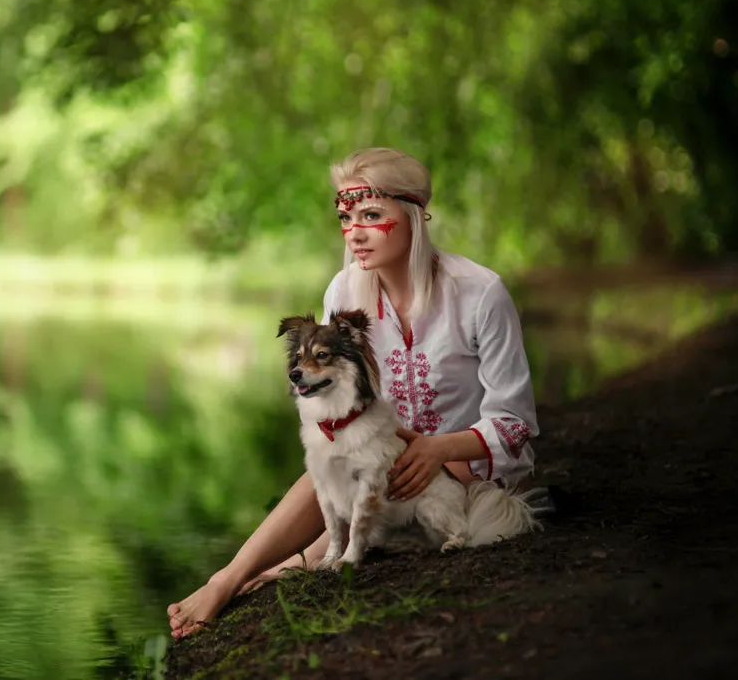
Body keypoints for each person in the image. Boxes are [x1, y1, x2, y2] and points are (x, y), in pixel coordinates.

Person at [167, 147, 541, 640]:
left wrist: (437, 448)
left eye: (371, 215)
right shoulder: (344, 293)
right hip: (381, 463)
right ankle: (228, 579)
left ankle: (271, 571)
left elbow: (515, 422)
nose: (355, 232)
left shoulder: (479, 293)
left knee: (352, 488)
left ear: (412, 217)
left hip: (463, 467)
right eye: (346, 217)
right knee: (332, 457)